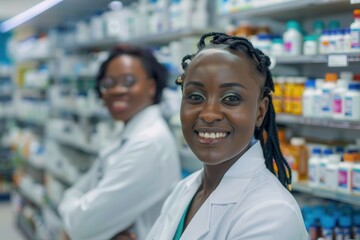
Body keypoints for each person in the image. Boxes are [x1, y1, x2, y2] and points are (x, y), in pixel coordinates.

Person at [146, 32, 308, 240]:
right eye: (195, 96)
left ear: (259, 112)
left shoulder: (272, 213)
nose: (209, 114)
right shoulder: (185, 189)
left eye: (231, 98)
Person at [58, 46, 181, 240]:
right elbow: (77, 194)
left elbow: (81, 227)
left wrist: (71, 219)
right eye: (108, 83)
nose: (116, 90)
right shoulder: (127, 132)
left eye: (129, 81)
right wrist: (74, 215)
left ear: (151, 87)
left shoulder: (147, 144)